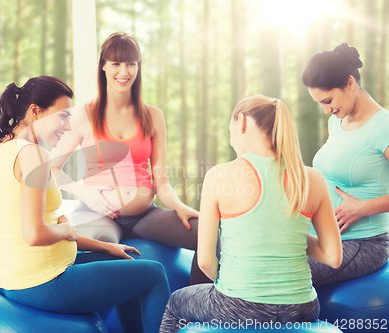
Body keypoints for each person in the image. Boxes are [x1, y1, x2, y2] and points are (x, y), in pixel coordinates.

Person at [0, 76, 170, 333]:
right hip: (43, 282)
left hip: (11, 277)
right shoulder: (34, 155)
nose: (69, 126)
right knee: (154, 275)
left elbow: (35, 227)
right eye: (63, 116)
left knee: (125, 264)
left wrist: (106, 247)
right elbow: (35, 234)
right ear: (35, 111)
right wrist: (67, 230)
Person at [159, 95, 342, 332]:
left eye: (231, 129)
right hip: (302, 306)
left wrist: (226, 285)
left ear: (242, 121)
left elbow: (205, 261)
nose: (231, 138)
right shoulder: (312, 178)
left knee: (175, 303)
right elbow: (333, 256)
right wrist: (283, 233)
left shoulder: (219, 175)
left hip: (239, 305)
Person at [51, 32, 210, 284]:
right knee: (97, 249)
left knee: (206, 232)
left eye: (130, 64)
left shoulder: (153, 116)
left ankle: (194, 307)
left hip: (144, 215)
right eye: (115, 63)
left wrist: (179, 206)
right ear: (103, 66)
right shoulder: (83, 115)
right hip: (98, 212)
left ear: (138, 67)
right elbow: (52, 168)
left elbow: (161, 180)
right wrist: (84, 192)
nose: (123, 72)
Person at [302, 43, 389, 287]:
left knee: (278, 272)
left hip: (363, 244)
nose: (326, 110)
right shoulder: (337, 123)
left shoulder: (383, 127)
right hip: (321, 238)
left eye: (327, 100)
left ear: (349, 83)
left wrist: (364, 208)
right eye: (319, 103)